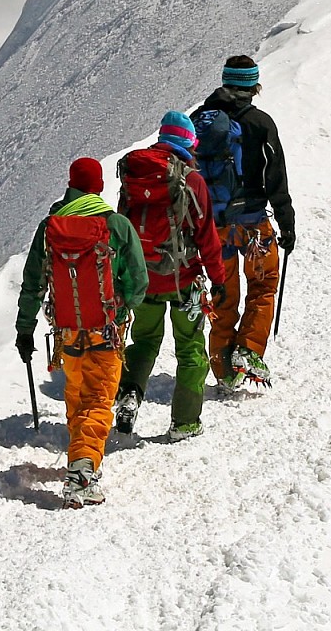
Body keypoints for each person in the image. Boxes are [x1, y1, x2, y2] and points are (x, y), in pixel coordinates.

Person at [16, 157, 147, 506]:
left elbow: (32, 284)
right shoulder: (116, 225)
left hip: (66, 333)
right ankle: (82, 472)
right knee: (99, 398)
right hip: (107, 329)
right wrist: (123, 306)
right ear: (99, 186)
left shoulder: (50, 227)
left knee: (77, 394)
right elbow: (139, 280)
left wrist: (24, 329)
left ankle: (81, 456)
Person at [114, 111, 227, 441]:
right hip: (183, 280)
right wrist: (218, 278)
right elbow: (206, 235)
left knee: (144, 341)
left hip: (143, 278)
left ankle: (129, 393)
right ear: (188, 143)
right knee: (190, 348)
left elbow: (123, 228)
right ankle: (185, 422)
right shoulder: (191, 180)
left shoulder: (135, 176)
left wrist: (123, 277)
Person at [192, 54, 296, 390]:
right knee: (263, 287)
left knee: (223, 295)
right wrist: (286, 223)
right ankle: (248, 350)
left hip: (213, 228)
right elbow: (275, 178)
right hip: (253, 227)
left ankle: (224, 372)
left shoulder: (199, 121)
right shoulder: (260, 123)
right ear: (253, 85)